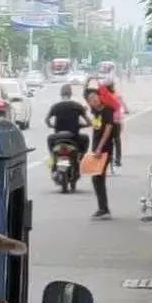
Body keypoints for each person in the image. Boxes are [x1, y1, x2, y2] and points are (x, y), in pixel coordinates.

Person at [87, 88, 116, 219]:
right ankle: (103, 208)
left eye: (95, 97)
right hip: (96, 150)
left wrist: (99, 148)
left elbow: (108, 130)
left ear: (99, 97)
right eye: (90, 99)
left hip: (105, 149)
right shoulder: (95, 112)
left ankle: (103, 209)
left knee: (97, 178)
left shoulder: (107, 110)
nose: (93, 100)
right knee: (97, 178)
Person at [45, 83, 90, 160]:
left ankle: (53, 158)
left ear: (61, 94)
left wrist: (52, 126)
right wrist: (80, 125)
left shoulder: (55, 106)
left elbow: (47, 120)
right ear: (71, 94)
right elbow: (89, 122)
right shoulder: (77, 105)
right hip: (73, 136)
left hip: (58, 137)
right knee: (86, 138)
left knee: (49, 138)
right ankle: (81, 158)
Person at [99, 75, 127, 167]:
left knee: (103, 138)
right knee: (117, 139)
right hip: (116, 120)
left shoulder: (102, 96)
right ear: (113, 86)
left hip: (105, 121)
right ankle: (118, 160)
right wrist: (126, 110)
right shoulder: (117, 95)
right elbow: (123, 105)